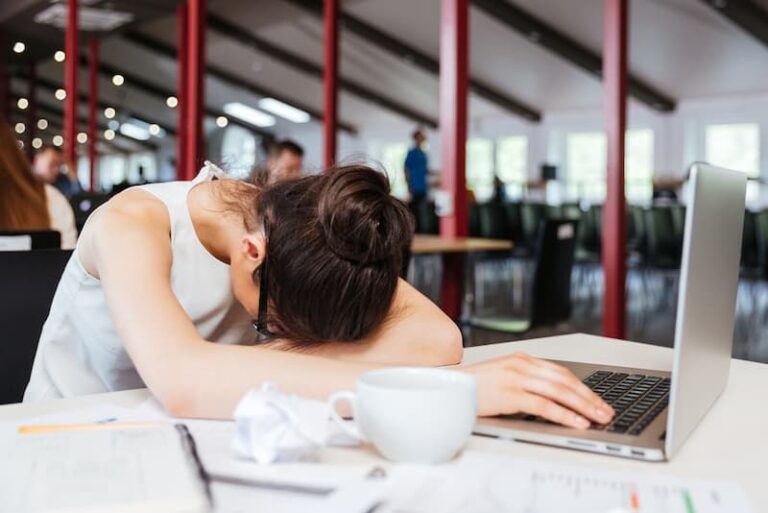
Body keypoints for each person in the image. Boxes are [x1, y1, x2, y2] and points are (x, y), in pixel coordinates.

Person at [24, 161, 613, 430]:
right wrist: (441, 395)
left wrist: (235, 370)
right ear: (252, 254)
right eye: (268, 326)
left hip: (203, 438)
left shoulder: (309, 230)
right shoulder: (134, 222)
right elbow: (182, 382)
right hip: (65, 440)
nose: (279, 345)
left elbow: (436, 337)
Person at [0, 121, 77, 249]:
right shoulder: (53, 198)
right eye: (52, 164)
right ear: (38, 160)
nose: (56, 170)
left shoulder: (55, 195)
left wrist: (72, 173)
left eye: (59, 165)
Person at [404, 129, 429, 230]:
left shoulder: (423, 153)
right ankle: (413, 230)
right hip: (414, 186)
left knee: (422, 212)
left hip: (423, 187)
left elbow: (424, 170)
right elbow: (406, 169)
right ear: (416, 138)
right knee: (414, 211)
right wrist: (408, 184)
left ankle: (421, 231)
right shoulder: (411, 152)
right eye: (421, 136)